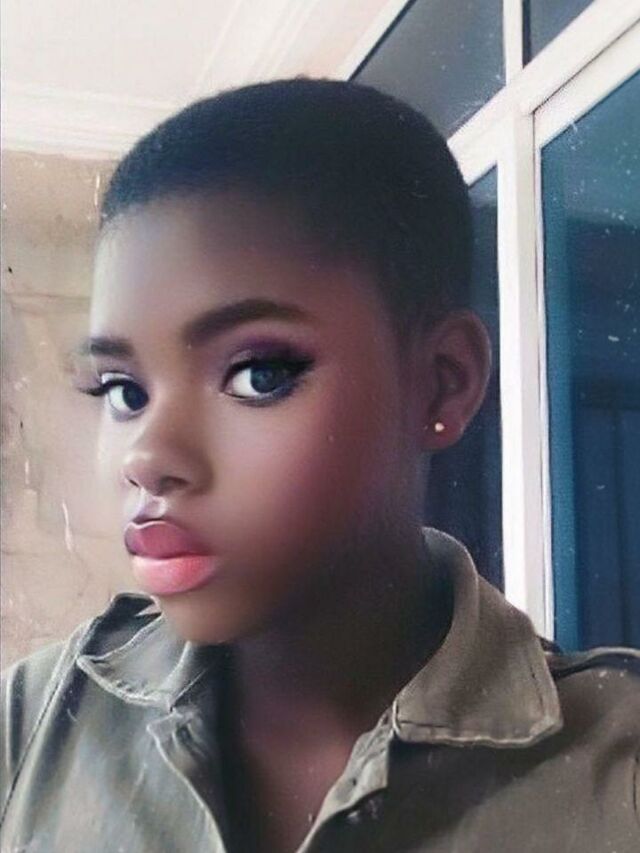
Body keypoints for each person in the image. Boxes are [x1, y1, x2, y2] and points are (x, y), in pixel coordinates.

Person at [1, 78, 638, 853]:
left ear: (443, 381)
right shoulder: (30, 726)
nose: (147, 457)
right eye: (123, 390)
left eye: (258, 374)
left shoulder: (617, 771)